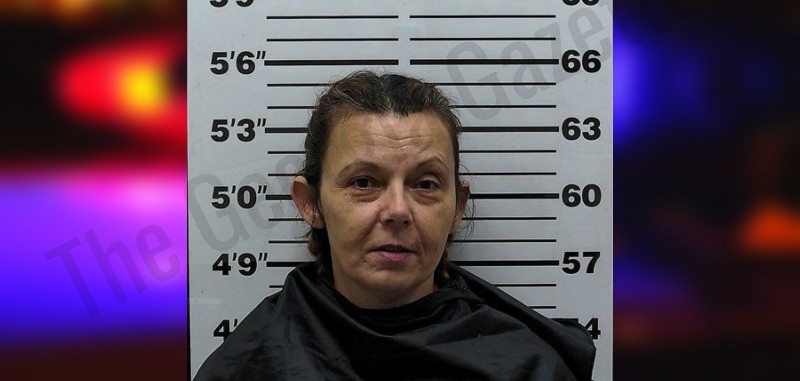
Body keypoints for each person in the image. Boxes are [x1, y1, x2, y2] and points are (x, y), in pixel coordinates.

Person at [193, 70, 596, 380]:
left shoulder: (529, 366)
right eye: (363, 183)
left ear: (458, 207)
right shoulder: (249, 365)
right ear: (310, 203)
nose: (398, 210)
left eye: (426, 184)